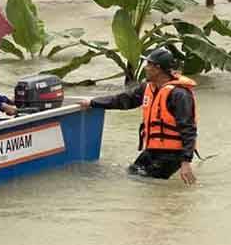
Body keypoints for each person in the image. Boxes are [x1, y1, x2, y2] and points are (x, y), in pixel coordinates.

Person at [80, 48, 198, 185]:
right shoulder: (147, 88)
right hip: (154, 149)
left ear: (157, 68)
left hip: (173, 153)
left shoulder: (179, 95)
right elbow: (123, 100)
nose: (146, 68)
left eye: (148, 65)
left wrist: (186, 162)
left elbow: (189, 130)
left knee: (147, 183)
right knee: (133, 174)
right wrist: (93, 103)